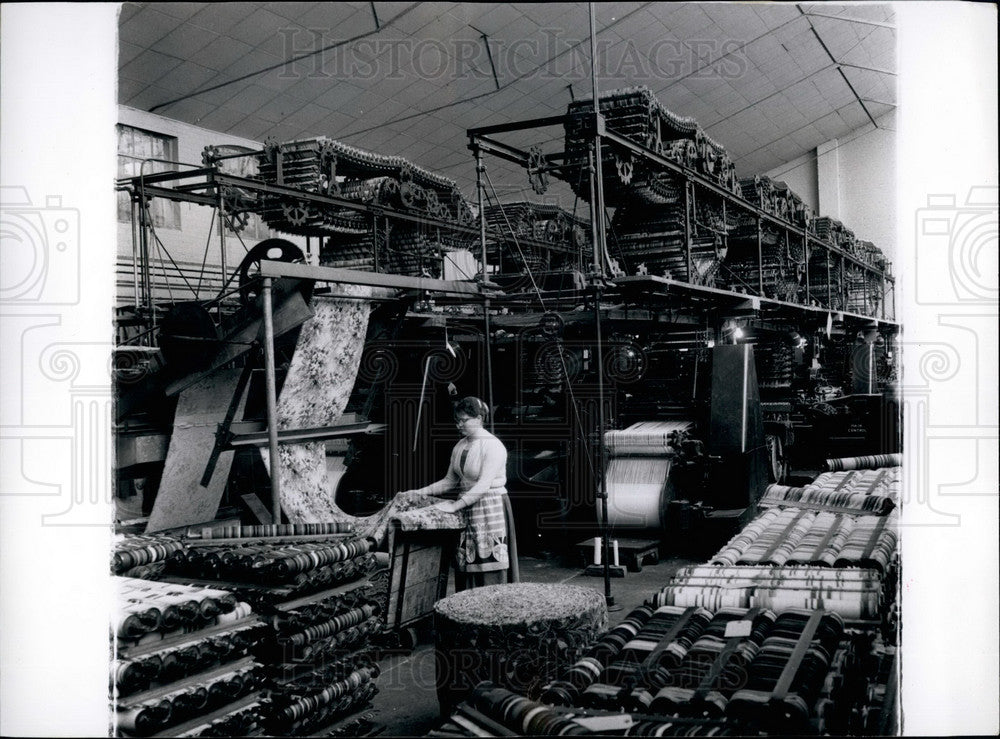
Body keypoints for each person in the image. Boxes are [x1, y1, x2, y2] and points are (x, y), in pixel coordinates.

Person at [403, 396, 513, 589]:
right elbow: (449, 481)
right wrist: (419, 492)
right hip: (468, 506)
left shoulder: (493, 446)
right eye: (457, 420)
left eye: (464, 420)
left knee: (488, 563)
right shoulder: (460, 446)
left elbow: (483, 485)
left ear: (479, 418)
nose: (459, 425)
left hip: (490, 506)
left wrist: (455, 506)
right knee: (466, 560)